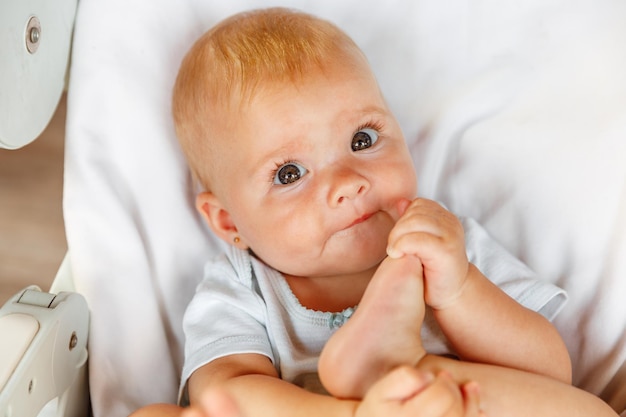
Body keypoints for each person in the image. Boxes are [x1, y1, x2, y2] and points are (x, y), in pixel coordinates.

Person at [130, 7, 619, 417]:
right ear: (229, 223)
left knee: (587, 411)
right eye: (289, 174)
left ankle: (400, 366)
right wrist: (355, 409)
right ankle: (377, 376)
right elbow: (222, 390)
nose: (347, 183)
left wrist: (459, 289)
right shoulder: (245, 285)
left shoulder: (443, 245)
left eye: (362, 140)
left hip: (450, 403)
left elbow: (551, 369)